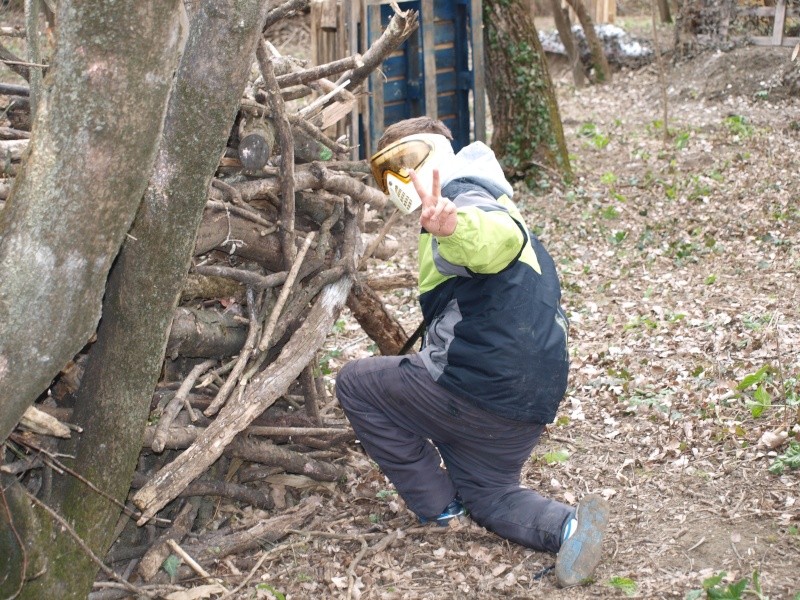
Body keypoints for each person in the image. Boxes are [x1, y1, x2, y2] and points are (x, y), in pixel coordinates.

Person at [336, 117, 609, 587]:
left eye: (404, 164)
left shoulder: (468, 198)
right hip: (528, 402)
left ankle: (437, 507)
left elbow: (490, 239)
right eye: (388, 177)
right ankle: (569, 527)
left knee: (355, 383)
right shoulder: (497, 202)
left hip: (477, 384)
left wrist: (453, 226)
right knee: (491, 497)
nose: (402, 183)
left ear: (437, 152)